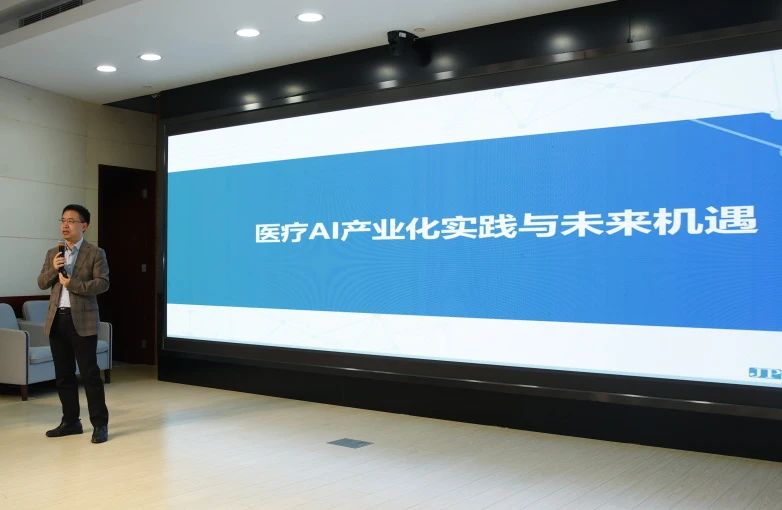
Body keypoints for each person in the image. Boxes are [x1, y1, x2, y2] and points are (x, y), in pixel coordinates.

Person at [37, 204, 110, 443]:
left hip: (83, 321)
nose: (65, 225)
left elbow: (102, 284)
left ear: (84, 225)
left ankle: (99, 424)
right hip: (57, 320)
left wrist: (73, 284)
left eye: (71, 220)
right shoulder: (53, 253)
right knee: (63, 375)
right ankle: (70, 422)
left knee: (89, 375)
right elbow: (41, 282)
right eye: (62, 220)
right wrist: (54, 269)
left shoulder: (95, 253)